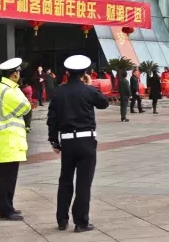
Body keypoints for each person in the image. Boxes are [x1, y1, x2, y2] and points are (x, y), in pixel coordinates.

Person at [47, 55, 109, 233]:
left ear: (67, 73)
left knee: (65, 180)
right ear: (85, 73)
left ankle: (62, 219)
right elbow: (104, 103)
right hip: (86, 141)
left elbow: (52, 118)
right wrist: (90, 85)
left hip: (67, 141)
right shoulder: (88, 90)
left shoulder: (59, 92)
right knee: (83, 182)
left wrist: (54, 140)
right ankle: (81, 222)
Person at [0, 58, 31, 221]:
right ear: (14, 74)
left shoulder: (0, 89)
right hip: (9, 140)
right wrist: (18, 89)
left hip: (3, 140)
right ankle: (6, 210)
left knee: (6, 177)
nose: (19, 76)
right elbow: (26, 107)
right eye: (18, 73)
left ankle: (8, 207)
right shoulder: (9, 91)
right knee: (8, 178)